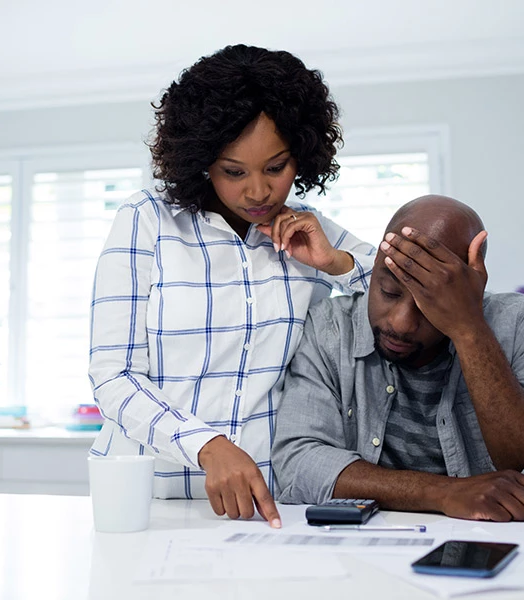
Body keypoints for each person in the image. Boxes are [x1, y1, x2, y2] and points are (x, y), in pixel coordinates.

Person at [88, 45, 375, 528]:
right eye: (234, 172)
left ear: (302, 155)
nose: (259, 191)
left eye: (276, 167)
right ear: (202, 161)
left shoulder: (309, 230)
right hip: (150, 500)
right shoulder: (147, 221)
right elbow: (113, 375)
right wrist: (207, 445)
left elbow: (403, 292)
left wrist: (334, 262)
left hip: (269, 506)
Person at [272, 195, 524, 522]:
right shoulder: (330, 328)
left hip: (483, 543)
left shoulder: (521, 325)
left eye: (429, 305)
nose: (400, 323)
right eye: (388, 292)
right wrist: (442, 492)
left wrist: (469, 328)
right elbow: (297, 464)